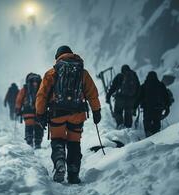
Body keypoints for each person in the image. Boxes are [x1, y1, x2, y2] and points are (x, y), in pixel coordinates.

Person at [36, 45, 101, 184]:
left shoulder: (51, 73)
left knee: (58, 140)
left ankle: (59, 163)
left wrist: (40, 114)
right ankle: (73, 173)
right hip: (77, 114)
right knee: (74, 143)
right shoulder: (83, 73)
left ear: (57, 57)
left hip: (56, 114)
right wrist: (96, 111)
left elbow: (41, 95)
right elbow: (92, 93)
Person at [136, 71, 170, 137]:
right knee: (156, 122)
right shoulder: (161, 85)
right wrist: (167, 107)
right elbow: (166, 97)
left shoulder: (144, 85)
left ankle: (148, 135)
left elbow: (139, 97)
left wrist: (134, 107)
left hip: (147, 108)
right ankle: (156, 136)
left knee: (147, 121)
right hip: (158, 108)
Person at [106, 64, 140, 129]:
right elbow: (138, 89)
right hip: (130, 99)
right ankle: (128, 128)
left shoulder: (119, 76)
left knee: (118, 111)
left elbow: (112, 88)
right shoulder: (134, 76)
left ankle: (120, 125)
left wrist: (108, 97)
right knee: (128, 113)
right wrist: (136, 100)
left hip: (120, 99)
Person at [15, 73, 44, 149]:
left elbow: (19, 99)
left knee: (29, 127)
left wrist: (18, 109)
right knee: (38, 126)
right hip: (39, 111)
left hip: (27, 111)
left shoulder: (25, 88)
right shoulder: (42, 87)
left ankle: (29, 141)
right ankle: (38, 143)